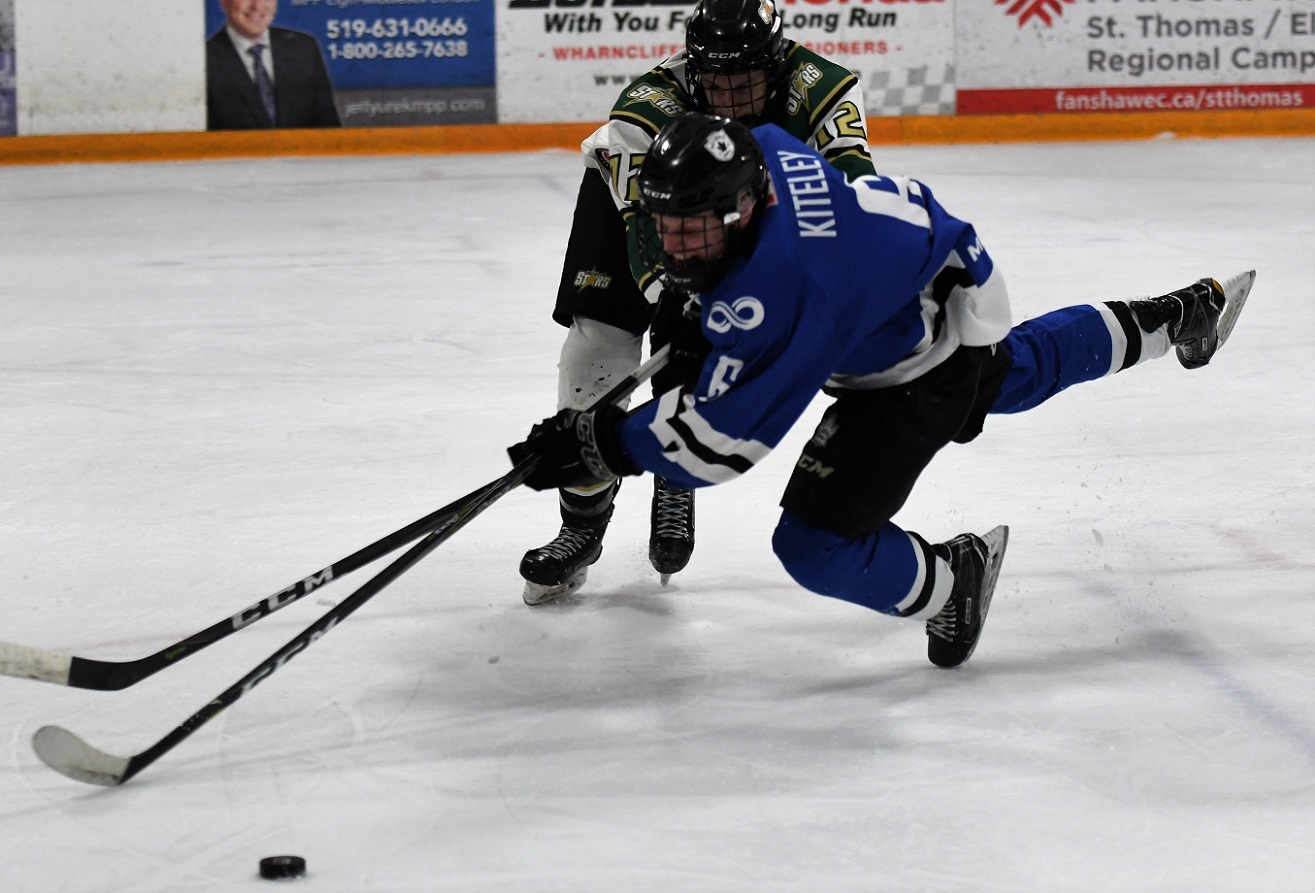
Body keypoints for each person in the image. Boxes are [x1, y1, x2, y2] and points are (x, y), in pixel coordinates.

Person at [507, 113, 1255, 668]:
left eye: (694, 232)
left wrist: (597, 441)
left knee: (814, 542)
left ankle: (952, 580)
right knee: (1014, 374)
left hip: (911, 349)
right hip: (932, 272)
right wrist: (691, 321)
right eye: (668, 227)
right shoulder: (760, 149)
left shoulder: (787, 287)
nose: (676, 246)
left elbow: (714, 447)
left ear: (740, 208)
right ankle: (1179, 315)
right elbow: (726, 316)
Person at [521, 0, 878, 606]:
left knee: (697, 352)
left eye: (748, 83)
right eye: (717, 82)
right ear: (692, 69)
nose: (733, 100)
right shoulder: (644, 111)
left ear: (779, 64)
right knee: (596, 352)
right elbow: (642, 227)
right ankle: (579, 526)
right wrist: (676, 302)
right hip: (637, 218)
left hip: (749, 214)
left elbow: (852, 200)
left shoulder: (823, 91)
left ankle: (671, 471)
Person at [206, 0, 341, 131]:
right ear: (224, 2)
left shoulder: (304, 48)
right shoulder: (204, 59)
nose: (256, 5)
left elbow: (329, 129)